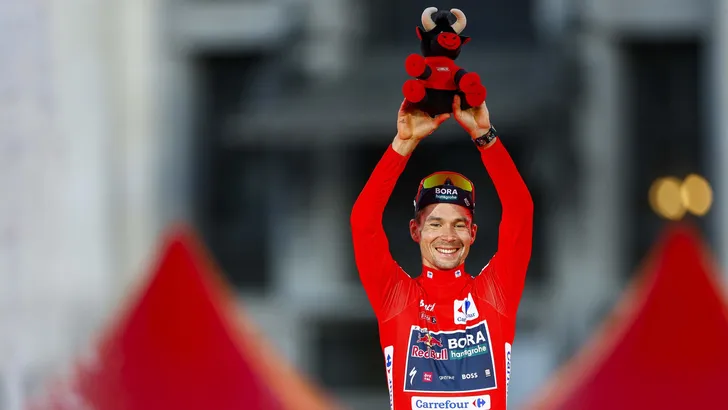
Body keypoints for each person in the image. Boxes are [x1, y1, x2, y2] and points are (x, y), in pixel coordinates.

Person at [350, 95, 533, 410]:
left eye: (459, 225)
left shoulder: (494, 293)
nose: (448, 236)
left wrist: (485, 136)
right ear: (415, 231)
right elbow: (363, 222)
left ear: (472, 234)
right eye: (435, 224)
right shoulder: (397, 297)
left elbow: (520, 211)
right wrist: (403, 144)